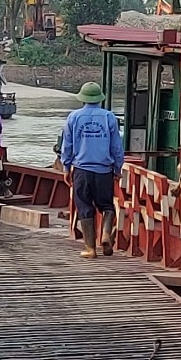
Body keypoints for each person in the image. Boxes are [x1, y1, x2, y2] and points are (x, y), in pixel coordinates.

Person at [61, 82, 124, 259]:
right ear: (99, 99)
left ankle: (90, 249)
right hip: (104, 171)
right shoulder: (109, 117)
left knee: (84, 207)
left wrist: (66, 167)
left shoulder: (73, 117)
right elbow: (117, 147)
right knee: (106, 205)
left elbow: (67, 145)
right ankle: (105, 234)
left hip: (82, 170)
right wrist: (118, 168)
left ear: (83, 98)